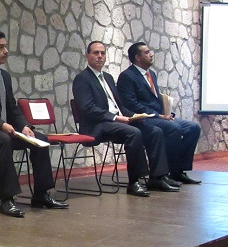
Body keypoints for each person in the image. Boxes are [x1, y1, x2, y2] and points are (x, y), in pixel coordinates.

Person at [0, 29, 69, 215]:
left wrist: (24, 126)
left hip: (4, 128)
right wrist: (0, 124)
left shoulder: (5, 76)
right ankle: (7, 199)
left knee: (41, 139)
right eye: (1, 47)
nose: (6, 51)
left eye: (6, 46)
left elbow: (12, 107)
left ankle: (41, 194)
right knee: (4, 140)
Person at [72, 41, 178, 197]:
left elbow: (119, 105)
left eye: (102, 53)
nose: (100, 56)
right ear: (87, 55)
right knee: (134, 133)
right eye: (95, 53)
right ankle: (134, 182)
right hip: (98, 124)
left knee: (154, 131)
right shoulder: (82, 79)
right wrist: (115, 117)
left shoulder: (107, 77)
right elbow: (87, 108)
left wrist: (134, 116)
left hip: (117, 121)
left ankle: (157, 177)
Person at [117, 42, 201, 184]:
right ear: (137, 57)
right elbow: (131, 104)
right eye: (147, 52)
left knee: (193, 128)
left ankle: (178, 171)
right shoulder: (127, 76)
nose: (151, 55)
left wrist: (167, 112)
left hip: (159, 116)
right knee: (173, 128)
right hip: (144, 118)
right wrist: (158, 115)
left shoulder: (152, 74)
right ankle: (164, 174)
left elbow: (155, 100)